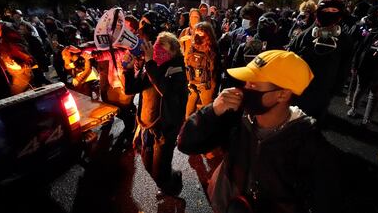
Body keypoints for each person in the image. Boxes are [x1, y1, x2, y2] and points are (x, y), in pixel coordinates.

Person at [178, 50, 341, 213]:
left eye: (253, 84)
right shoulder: (236, 117)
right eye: (246, 82)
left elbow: (323, 200)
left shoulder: (308, 142)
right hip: (225, 204)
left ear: (283, 94)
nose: (244, 89)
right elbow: (186, 144)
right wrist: (213, 111)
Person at [123, 32, 187, 196]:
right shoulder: (153, 66)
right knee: (147, 165)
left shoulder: (178, 71)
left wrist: (150, 62)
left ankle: (174, 185)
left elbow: (165, 90)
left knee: (159, 173)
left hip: (164, 131)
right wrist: (128, 70)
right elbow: (130, 88)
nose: (156, 50)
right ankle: (165, 179)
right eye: (156, 45)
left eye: (162, 47)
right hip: (146, 127)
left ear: (173, 52)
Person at [185, 22, 220, 118]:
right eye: (196, 33)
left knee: (207, 111)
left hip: (206, 84)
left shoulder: (211, 48)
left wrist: (212, 86)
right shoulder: (193, 46)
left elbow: (214, 68)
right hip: (193, 82)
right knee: (189, 112)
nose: (197, 35)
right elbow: (187, 61)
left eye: (200, 33)